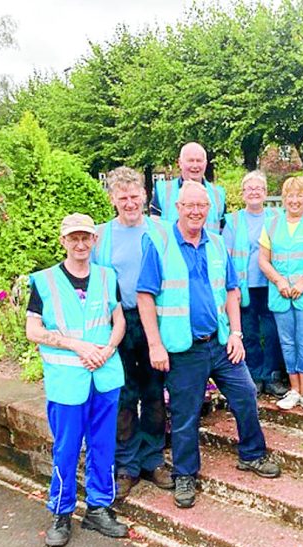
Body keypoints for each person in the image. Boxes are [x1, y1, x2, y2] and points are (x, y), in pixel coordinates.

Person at [137, 181, 280, 510]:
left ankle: (252, 454)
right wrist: (155, 345)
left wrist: (236, 334)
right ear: (178, 207)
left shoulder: (216, 243)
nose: (196, 211)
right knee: (185, 414)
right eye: (189, 205)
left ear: (209, 210)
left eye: (201, 206)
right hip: (182, 348)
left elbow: (231, 290)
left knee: (245, 394)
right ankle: (186, 474)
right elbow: (145, 295)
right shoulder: (159, 244)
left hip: (219, 342)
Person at [26, 213, 129, 547]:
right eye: (74, 238)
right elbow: (33, 330)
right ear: (64, 241)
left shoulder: (106, 276)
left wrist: (108, 349)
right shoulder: (44, 281)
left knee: (103, 446)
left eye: (86, 238)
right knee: (67, 449)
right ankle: (61, 511)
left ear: (94, 240)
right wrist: (75, 345)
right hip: (67, 381)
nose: (81, 244)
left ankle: (99, 508)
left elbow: (119, 321)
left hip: (105, 376)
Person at [90, 167, 174, 501]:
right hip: (118, 323)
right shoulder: (101, 236)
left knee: (154, 392)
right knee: (123, 395)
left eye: (135, 196)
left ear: (145, 196)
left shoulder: (162, 231)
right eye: (122, 197)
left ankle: (153, 459)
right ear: (112, 199)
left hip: (155, 319)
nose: (129, 203)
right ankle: (126, 464)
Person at [259, 176, 303, 415]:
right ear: (284, 199)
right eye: (290, 195)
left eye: (299, 195)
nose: (294, 200)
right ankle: (294, 390)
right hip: (281, 293)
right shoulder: (271, 224)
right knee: (288, 343)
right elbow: (263, 260)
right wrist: (279, 281)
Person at [222, 170, 289, 398]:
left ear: (265, 192)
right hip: (244, 287)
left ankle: (271, 375)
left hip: (271, 284)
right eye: (249, 188)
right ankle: (254, 376)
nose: (254, 192)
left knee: (272, 332)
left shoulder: (277, 217)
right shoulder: (233, 221)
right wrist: (232, 288)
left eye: (258, 188)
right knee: (248, 333)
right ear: (242, 194)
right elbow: (227, 257)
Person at [150, 142, 226, 233]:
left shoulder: (218, 194)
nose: (195, 166)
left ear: (205, 164)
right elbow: (154, 230)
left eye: (199, 161)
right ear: (180, 163)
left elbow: (223, 231)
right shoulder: (162, 191)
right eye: (190, 160)